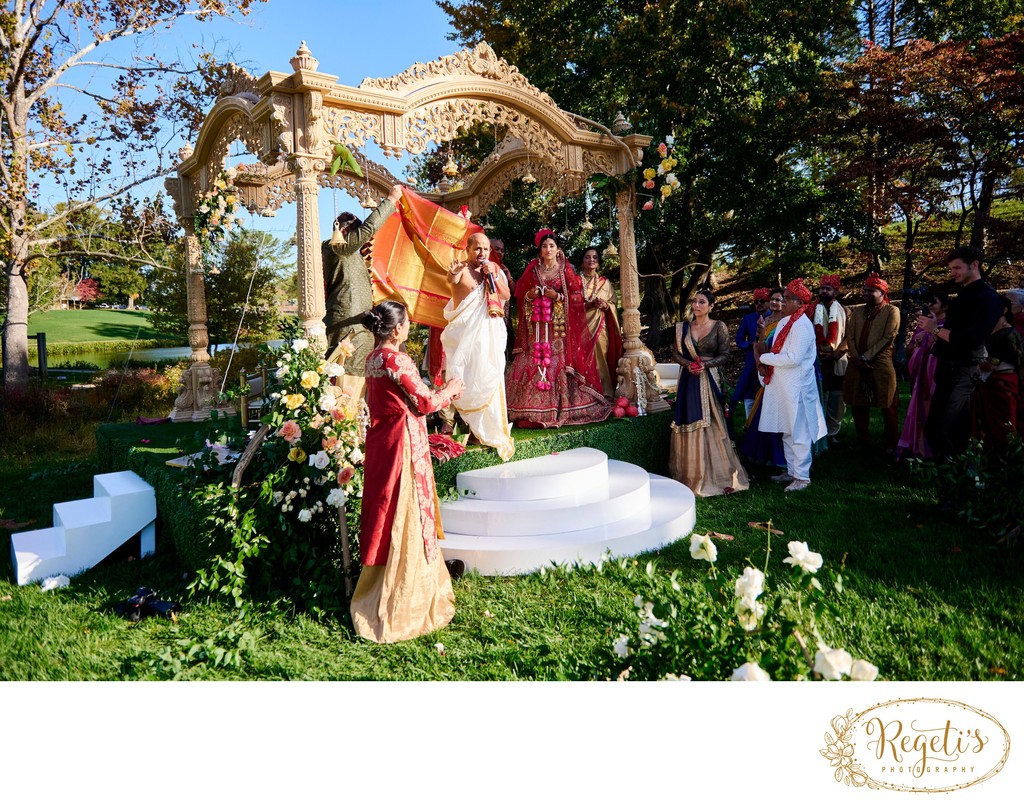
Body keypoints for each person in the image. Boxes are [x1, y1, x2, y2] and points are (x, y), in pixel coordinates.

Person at [350, 301, 465, 644]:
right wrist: (450, 391)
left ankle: (383, 583)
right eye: (408, 325)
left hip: (382, 444)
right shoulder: (396, 359)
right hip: (403, 445)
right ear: (397, 329)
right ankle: (409, 594)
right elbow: (425, 403)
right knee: (407, 513)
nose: (409, 330)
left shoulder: (372, 360)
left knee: (386, 512)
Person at [505, 229, 612, 428]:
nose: (548, 249)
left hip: (558, 329)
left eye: (551, 246)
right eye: (544, 246)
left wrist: (557, 297)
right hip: (537, 328)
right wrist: (531, 295)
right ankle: (528, 410)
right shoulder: (533, 270)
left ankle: (561, 408)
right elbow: (521, 296)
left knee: (557, 364)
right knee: (533, 361)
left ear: (558, 249)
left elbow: (577, 297)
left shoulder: (565, 271)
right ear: (540, 250)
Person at [917, 245, 1004, 469]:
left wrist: (936, 329)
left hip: (965, 371)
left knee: (942, 429)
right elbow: (952, 337)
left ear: (974, 265)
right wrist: (932, 330)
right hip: (948, 369)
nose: (953, 272)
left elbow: (971, 339)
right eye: (951, 268)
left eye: (957, 267)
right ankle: (958, 484)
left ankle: (956, 485)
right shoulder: (964, 295)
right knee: (949, 430)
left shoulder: (987, 297)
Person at [322, 184, 403, 412]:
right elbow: (366, 232)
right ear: (342, 231)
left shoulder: (352, 255)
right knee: (342, 385)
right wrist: (391, 201)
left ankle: (354, 437)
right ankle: (341, 436)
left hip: (361, 330)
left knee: (358, 388)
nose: (360, 239)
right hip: (347, 329)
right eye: (354, 233)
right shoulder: (336, 248)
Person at [440, 232, 516, 461]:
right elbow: (452, 280)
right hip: (467, 339)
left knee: (489, 378)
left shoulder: (494, 270)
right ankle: (466, 425)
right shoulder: (462, 269)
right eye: (478, 249)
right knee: (469, 381)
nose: (482, 253)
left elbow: (507, 295)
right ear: (468, 249)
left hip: (490, 336)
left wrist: (494, 276)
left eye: (486, 249)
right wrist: (453, 273)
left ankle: (479, 432)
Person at [669, 289, 750, 497]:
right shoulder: (683, 328)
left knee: (713, 422)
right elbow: (675, 353)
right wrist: (689, 365)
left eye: (702, 302)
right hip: (688, 380)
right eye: (695, 302)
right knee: (689, 420)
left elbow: (725, 354)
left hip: (710, 380)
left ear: (711, 306)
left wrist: (705, 366)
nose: (696, 305)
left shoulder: (718, 326)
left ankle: (718, 475)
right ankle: (690, 474)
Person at [754, 278, 827, 492]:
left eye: (786, 299)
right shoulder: (787, 321)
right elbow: (778, 351)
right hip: (782, 384)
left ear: (798, 302)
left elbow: (793, 358)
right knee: (787, 431)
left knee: (799, 433)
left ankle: (802, 478)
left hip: (798, 387)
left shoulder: (802, 324)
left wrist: (764, 359)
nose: (782, 302)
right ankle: (792, 471)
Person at [842, 273, 900, 453]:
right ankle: (862, 440)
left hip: (880, 362)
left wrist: (866, 357)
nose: (866, 293)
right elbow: (849, 336)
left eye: (871, 291)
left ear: (882, 292)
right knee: (858, 403)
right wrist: (856, 357)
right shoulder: (858, 311)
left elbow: (888, 336)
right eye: (865, 290)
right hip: (857, 362)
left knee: (888, 403)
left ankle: (891, 443)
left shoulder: (891, 311)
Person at [896, 292, 949, 459]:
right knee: (919, 408)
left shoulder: (948, 326)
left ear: (945, 306)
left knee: (933, 409)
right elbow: (909, 348)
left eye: (934, 302)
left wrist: (932, 335)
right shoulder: (922, 325)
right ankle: (917, 445)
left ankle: (932, 449)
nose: (930, 306)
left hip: (936, 375)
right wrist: (920, 340)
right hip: (920, 374)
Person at [740, 288, 787, 468]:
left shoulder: (787, 322)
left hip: (780, 368)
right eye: (773, 299)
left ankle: (779, 455)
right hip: (765, 367)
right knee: (764, 411)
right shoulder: (765, 321)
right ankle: (762, 453)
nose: (775, 303)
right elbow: (760, 344)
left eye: (779, 300)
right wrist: (760, 364)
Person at [972, 296, 1023, 447]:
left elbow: (998, 361)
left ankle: (1008, 456)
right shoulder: (990, 330)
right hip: (988, 381)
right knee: (987, 420)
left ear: (1004, 310)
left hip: (1003, 382)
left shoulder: (1009, 333)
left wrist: (980, 364)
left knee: (1004, 422)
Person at [580, 246, 623, 398]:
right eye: (587, 257)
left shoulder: (605, 283)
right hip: (580, 326)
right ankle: (585, 394)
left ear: (598, 262)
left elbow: (613, 302)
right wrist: (589, 305)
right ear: (582, 261)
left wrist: (605, 305)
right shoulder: (575, 281)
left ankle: (605, 393)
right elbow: (570, 305)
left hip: (600, 325)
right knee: (582, 359)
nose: (591, 260)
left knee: (601, 357)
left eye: (595, 257)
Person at [814, 275, 848, 442]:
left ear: (836, 292)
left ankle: (832, 432)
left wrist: (834, 354)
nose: (824, 291)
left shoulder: (845, 312)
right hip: (817, 360)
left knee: (836, 398)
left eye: (828, 289)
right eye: (822, 288)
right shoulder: (812, 310)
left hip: (837, 361)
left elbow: (850, 338)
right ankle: (819, 433)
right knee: (820, 397)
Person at [732, 287, 772, 420]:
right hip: (751, 359)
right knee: (748, 388)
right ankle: (749, 422)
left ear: (768, 302)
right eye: (756, 302)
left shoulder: (775, 317)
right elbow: (739, 340)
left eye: (762, 301)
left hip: (771, 358)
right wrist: (750, 345)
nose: (759, 304)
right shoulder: (748, 319)